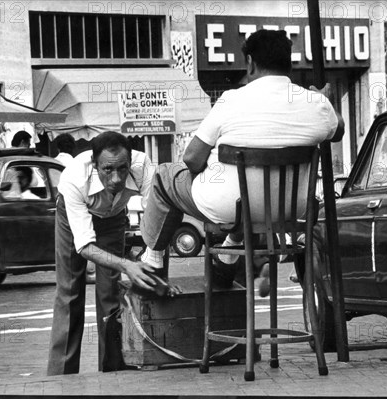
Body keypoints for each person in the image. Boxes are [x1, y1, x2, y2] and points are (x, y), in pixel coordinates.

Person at [138, 29, 344, 287]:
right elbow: (339, 131)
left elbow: (191, 159)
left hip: (230, 209)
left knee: (164, 175)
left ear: (250, 63)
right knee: (243, 193)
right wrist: (327, 102)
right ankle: (226, 257)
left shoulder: (230, 100)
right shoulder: (316, 103)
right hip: (292, 210)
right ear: (288, 63)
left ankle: (153, 260)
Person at [47, 131, 164, 375]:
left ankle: (112, 369)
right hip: (72, 218)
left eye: (122, 168)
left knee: (110, 293)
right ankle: (61, 375)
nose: (116, 179)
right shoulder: (74, 178)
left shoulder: (143, 168)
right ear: (94, 164)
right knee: (70, 291)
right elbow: (85, 247)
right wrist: (127, 265)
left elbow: (157, 216)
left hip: (112, 218)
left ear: (130, 162)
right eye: (107, 170)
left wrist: (152, 260)